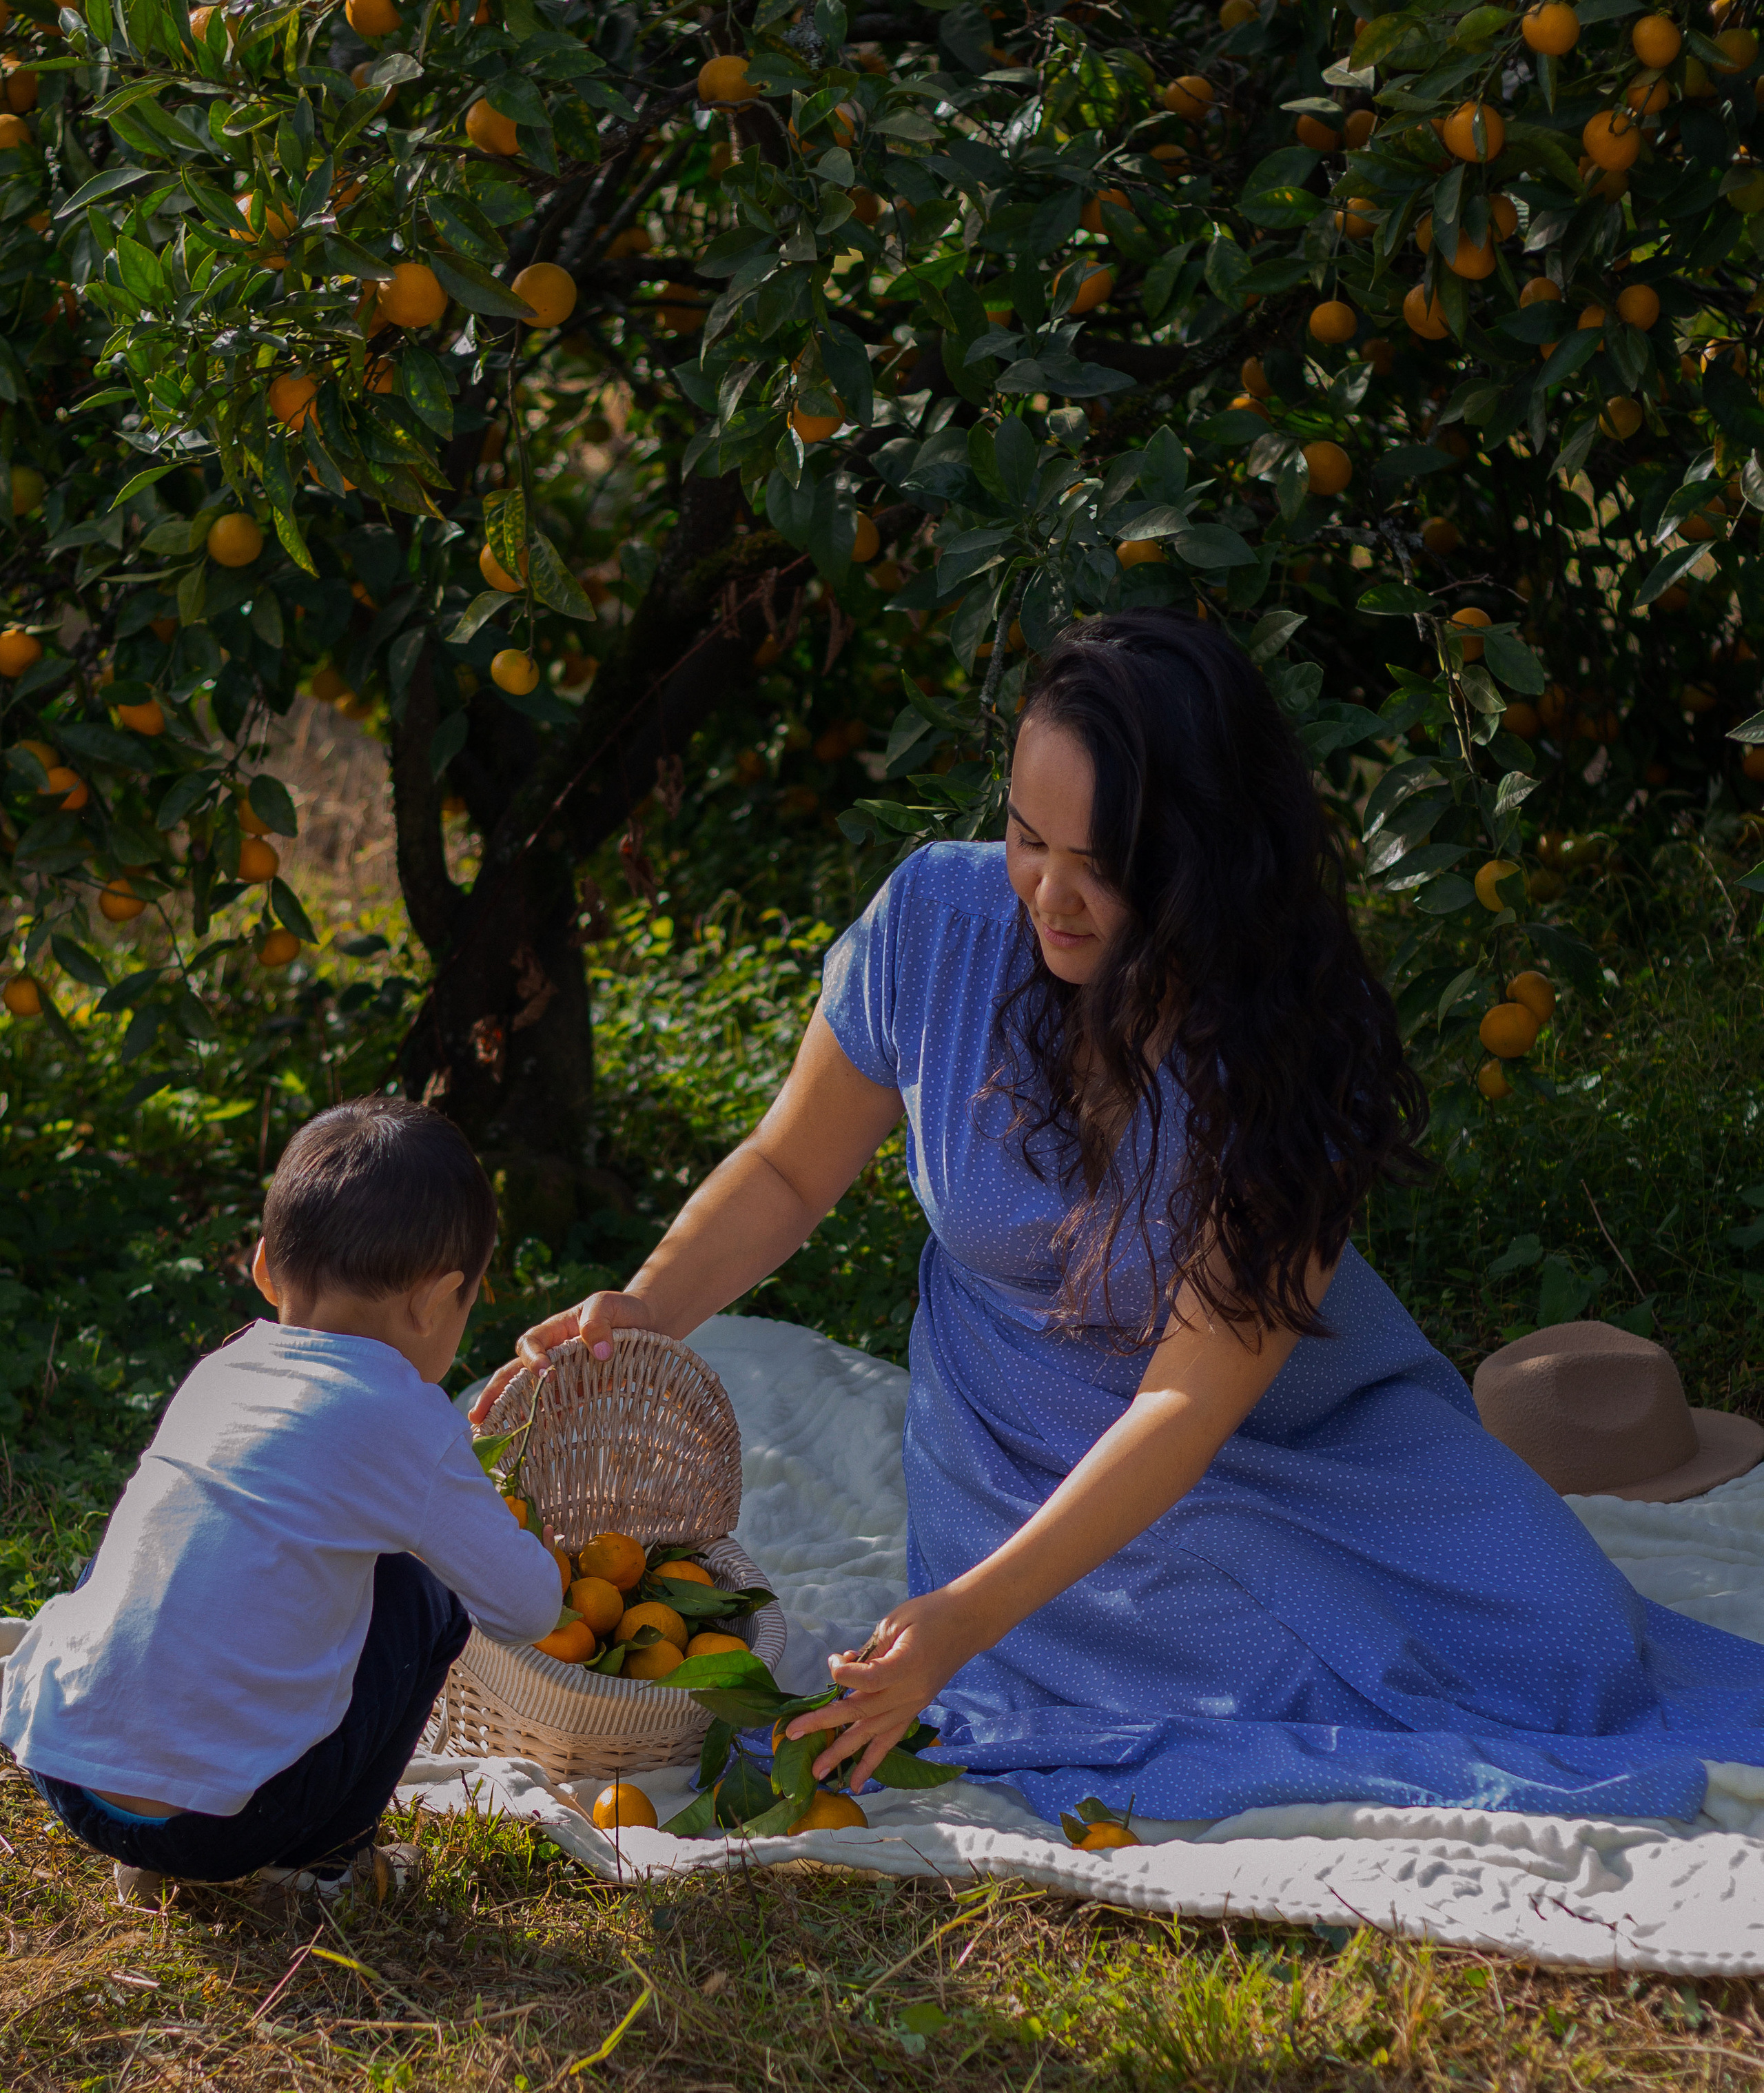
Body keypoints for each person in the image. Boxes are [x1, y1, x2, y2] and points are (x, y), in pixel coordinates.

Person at [479, 610, 1764, 1828]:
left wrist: (961, 1623)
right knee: (1246, 1663)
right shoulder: (938, 920)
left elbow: (1185, 1404)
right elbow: (784, 1173)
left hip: (1282, 1416)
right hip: (1018, 1434)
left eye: (1106, 867)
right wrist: (646, 1309)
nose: (1050, 895)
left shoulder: (1284, 1054)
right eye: (1030, 837)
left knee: (1573, 1645)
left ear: (1210, 861)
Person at [1, 1098, 562, 1906]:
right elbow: (530, 1608)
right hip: (228, 1821)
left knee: (171, 1529)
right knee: (423, 1590)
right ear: (435, 1300)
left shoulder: (221, 1370)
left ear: (265, 1267)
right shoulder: (405, 1413)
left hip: (68, 1768)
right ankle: (320, 1861)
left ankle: (145, 1845)